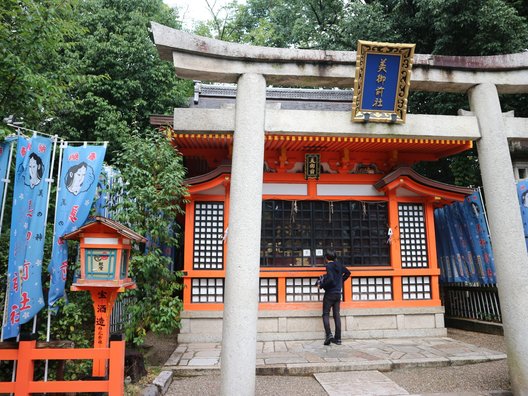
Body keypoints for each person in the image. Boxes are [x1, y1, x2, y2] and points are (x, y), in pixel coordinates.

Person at [317, 248, 350, 345]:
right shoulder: (339, 264)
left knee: (325, 314)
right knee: (336, 315)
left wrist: (322, 285)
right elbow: (348, 273)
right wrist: (340, 281)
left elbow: (330, 279)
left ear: (326, 258)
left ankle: (329, 335)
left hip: (330, 294)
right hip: (338, 294)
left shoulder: (329, 266)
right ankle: (338, 339)